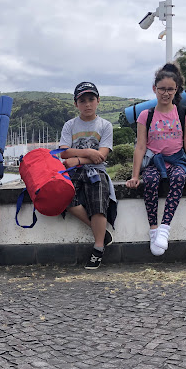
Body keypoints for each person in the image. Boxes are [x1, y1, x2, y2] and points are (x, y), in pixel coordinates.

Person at [126, 63, 186, 255]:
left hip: (177, 161)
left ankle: (164, 228)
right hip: (154, 162)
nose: (166, 93)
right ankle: (153, 229)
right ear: (154, 89)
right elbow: (140, 147)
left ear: (176, 90)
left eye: (170, 89)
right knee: (150, 180)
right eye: (162, 89)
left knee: (179, 178)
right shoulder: (146, 115)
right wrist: (135, 176)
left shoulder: (184, 113)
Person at [58, 82, 116, 269]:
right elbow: (63, 152)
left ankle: (98, 248)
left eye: (91, 99)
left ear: (98, 101)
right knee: (64, 197)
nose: (87, 104)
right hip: (74, 171)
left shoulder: (105, 125)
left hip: (96, 170)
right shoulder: (70, 125)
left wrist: (78, 159)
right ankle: (101, 232)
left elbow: (102, 156)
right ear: (76, 104)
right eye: (82, 101)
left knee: (98, 203)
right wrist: (89, 153)